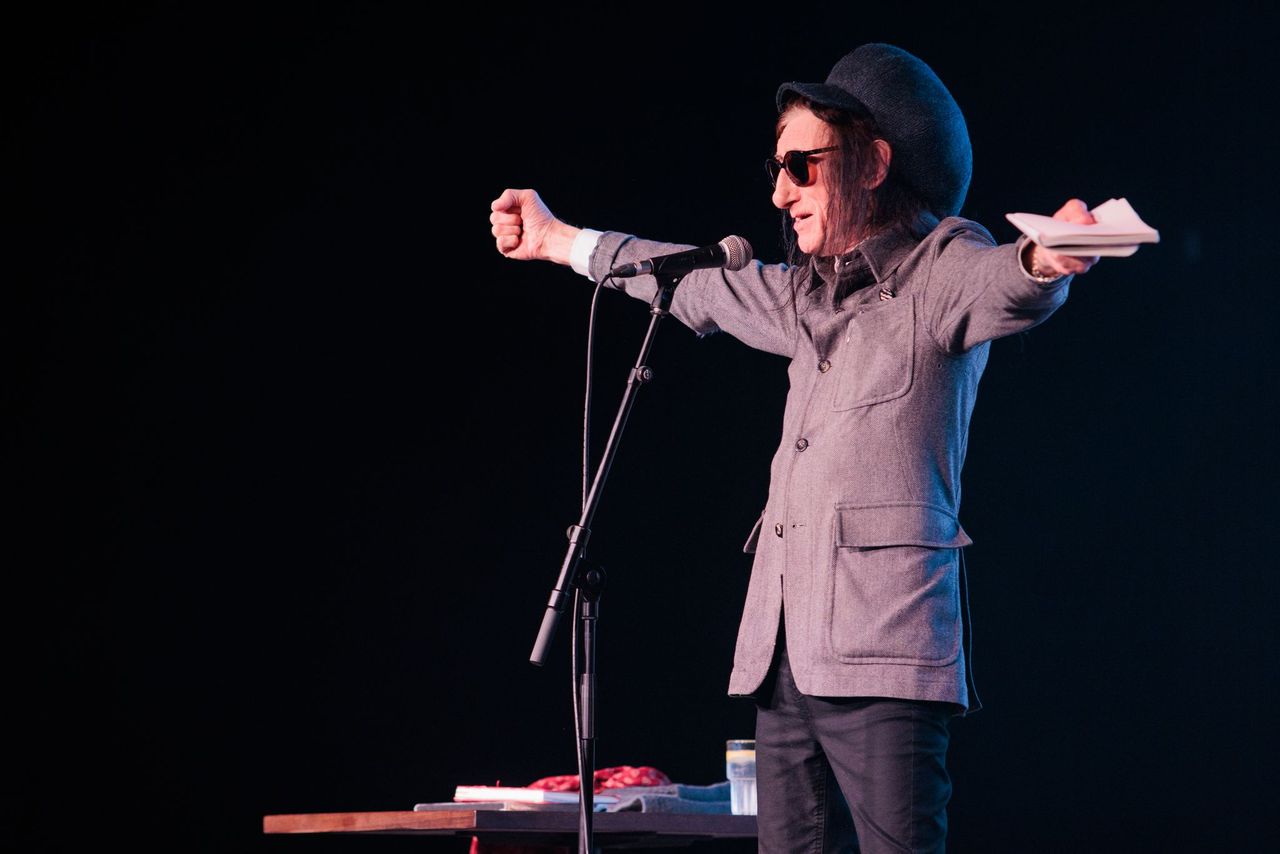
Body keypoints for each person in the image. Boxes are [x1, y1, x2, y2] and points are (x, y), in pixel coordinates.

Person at [489, 43, 1098, 854]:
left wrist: (1044, 260)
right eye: (778, 168)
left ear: (874, 164)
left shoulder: (938, 271)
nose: (780, 192)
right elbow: (692, 284)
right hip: (781, 653)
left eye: (801, 167)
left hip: (884, 654)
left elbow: (1005, 281)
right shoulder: (800, 298)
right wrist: (561, 240)